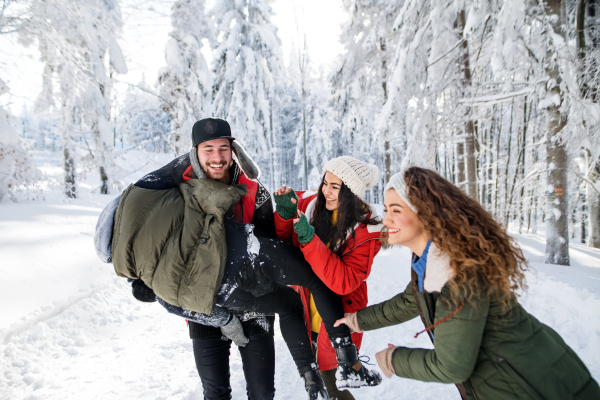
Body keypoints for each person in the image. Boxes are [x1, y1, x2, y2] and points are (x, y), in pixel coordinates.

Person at [335, 167, 600, 400]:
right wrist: (357, 320)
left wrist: (395, 360)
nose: (386, 219)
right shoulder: (429, 260)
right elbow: (410, 301)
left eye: (396, 210)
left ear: (426, 214)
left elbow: (453, 366)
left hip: (536, 384)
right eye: (385, 210)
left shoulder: (457, 269)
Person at [96, 117, 278, 400]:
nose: (216, 158)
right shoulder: (176, 187)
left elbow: (272, 248)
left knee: (263, 393)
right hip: (201, 302)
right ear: (195, 152)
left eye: (223, 148)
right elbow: (136, 212)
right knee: (215, 392)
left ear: (234, 150)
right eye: (208, 149)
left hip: (254, 302)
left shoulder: (257, 193)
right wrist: (140, 278)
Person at [272, 156, 383, 399]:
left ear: (351, 192)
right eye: (325, 183)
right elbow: (286, 243)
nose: (327, 192)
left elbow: (343, 281)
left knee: (335, 390)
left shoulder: (365, 232)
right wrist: (285, 213)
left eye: (335, 187)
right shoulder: (312, 206)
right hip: (306, 311)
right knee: (321, 387)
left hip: (336, 321)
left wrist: (309, 239)